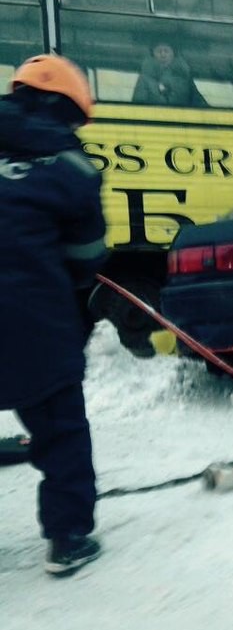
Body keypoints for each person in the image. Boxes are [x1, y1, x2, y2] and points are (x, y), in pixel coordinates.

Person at [0, 54, 108, 576]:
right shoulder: (72, 169)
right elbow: (87, 258)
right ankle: (68, 538)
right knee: (61, 428)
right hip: (32, 323)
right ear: (66, 110)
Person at [132, 42, 208, 107]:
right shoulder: (144, 79)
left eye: (166, 51)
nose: (163, 55)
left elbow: (200, 104)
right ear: (153, 55)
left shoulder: (185, 79)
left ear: (173, 54)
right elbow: (138, 104)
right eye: (159, 51)